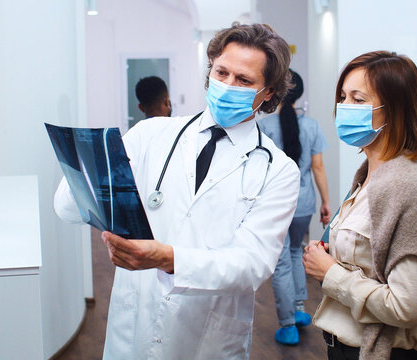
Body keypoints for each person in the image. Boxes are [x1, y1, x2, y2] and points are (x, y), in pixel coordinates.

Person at [54, 23, 300, 359]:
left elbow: (252, 264)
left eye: (243, 80)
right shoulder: (151, 134)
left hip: (207, 339)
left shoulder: (278, 170)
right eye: (221, 72)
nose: (227, 85)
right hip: (133, 329)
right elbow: (67, 209)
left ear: (269, 91)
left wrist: (170, 260)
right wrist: (85, 168)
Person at [302, 51, 417, 360]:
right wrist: (335, 253)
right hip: (342, 345)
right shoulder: (368, 176)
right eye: (343, 98)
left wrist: (331, 273)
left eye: (359, 100)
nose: (344, 108)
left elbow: (406, 306)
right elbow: (373, 258)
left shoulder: (408, 184)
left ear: (394, 110)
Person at [257, 69, 331, 345]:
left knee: (280, 262)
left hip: (276, 205)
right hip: (305, 203)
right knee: (297, 250)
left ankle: (287, 323)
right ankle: (300, 310)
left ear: (275, 91)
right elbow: (318, 168)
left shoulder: (264, 127)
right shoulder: (311, 126)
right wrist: (326, 202)